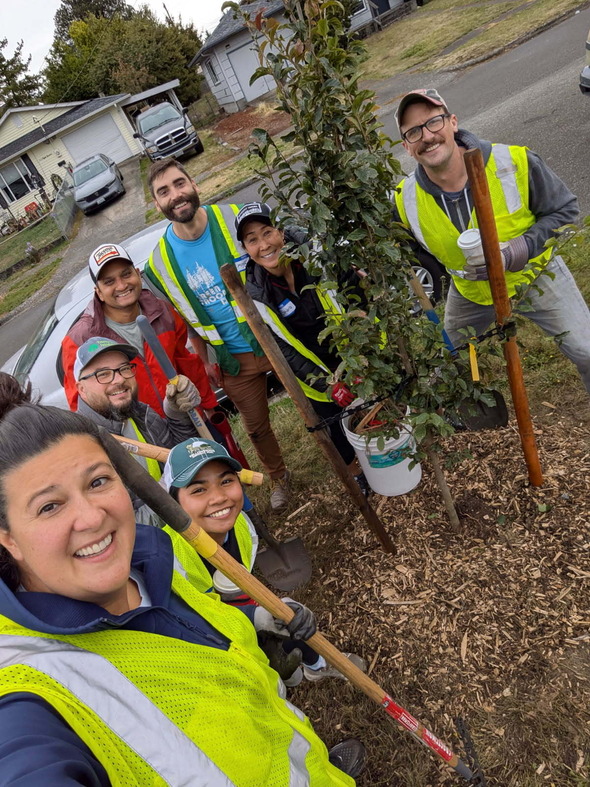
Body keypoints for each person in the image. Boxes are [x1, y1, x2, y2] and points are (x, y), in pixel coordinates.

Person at [0, 372, 364, 785]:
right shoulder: (30, 696)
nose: (92, 516)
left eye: (98, 481)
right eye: (49, 506)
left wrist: (261, 621)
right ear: (7, 536)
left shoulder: (150, 566)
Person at [393, 88, 590, 394]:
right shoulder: (405, 198)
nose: (427, 136)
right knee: (447, 363)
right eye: (414, 132)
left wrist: (519, 250)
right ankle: (457, 417)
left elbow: (564, 210)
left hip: (535, 275)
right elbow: (399, 245)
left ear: (453, 122)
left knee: (586, 350)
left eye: (433, 122)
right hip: (471, 293)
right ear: (407, 146)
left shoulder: (513, 161)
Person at [143, 158, 292, 512]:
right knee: (256, 427)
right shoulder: (158, 264)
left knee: (315, 398)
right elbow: (187, 317)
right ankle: (279, 476)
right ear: (156, 204)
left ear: (193, 184)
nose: (175, 195)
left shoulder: (237, 217)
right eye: (164, 191)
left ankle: (343, 454)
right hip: (232, 359)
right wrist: (205, 357)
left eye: (179, 184)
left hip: (277, 337)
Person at [163, 437, 368, 686]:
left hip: (228, 597)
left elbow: (241, 582)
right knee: (271, 674)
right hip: (204, 636)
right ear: (173, 504)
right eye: (198, 489)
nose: (218, 498)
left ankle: (316, 665)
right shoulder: (171, 562)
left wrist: (266, 613)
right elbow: (200, 622)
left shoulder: (241, 527)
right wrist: (255, 617)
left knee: (287, 618)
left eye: (226, 481)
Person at [238, 203, 370, 493]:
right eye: (252, 240)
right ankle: (356, 474)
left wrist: (361, 357)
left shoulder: (318, 257)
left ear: (282, 232)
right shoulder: (255, 295)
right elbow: (283, 351)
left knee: (376, 410)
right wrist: (327, 384)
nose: (264, 245)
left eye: (268, 232)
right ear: (246, 249)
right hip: (315, 372)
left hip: (355, 353)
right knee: (333, 426)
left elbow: (356, 300)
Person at [61, 241, 219, 416]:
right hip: (142, 437)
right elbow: (80, 405)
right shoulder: (80, 339)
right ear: (98, 292)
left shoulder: (162, 312)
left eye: (126, 274)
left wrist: (209, 407)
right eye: (109, 281)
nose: (121, 286)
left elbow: (186, 364)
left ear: (138, 274)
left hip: (184, 419)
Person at [75, 336, 200, 526]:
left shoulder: (142, 415)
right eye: (103, 374)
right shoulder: (82, 450)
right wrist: (169, 490)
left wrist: (176, 414)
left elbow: (186, 455)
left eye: (124, 369)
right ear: (81, 389)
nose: (118, 380)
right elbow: (124, 529)